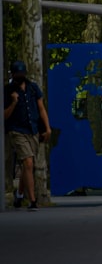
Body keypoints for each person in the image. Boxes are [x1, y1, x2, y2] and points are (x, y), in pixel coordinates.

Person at [3, 60, 52, 210]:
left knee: (27, 164)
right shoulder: (8, 90)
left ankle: (19, 195)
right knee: (29, 163)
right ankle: (32, 200)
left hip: (33, 130)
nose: (20, 76)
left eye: (22, 73)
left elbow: (41, 108)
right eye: (17, 74)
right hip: (17, 130)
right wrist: (13, 103)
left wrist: (47, 128)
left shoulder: (33, 88)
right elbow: (4, 116)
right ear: (13, 74)